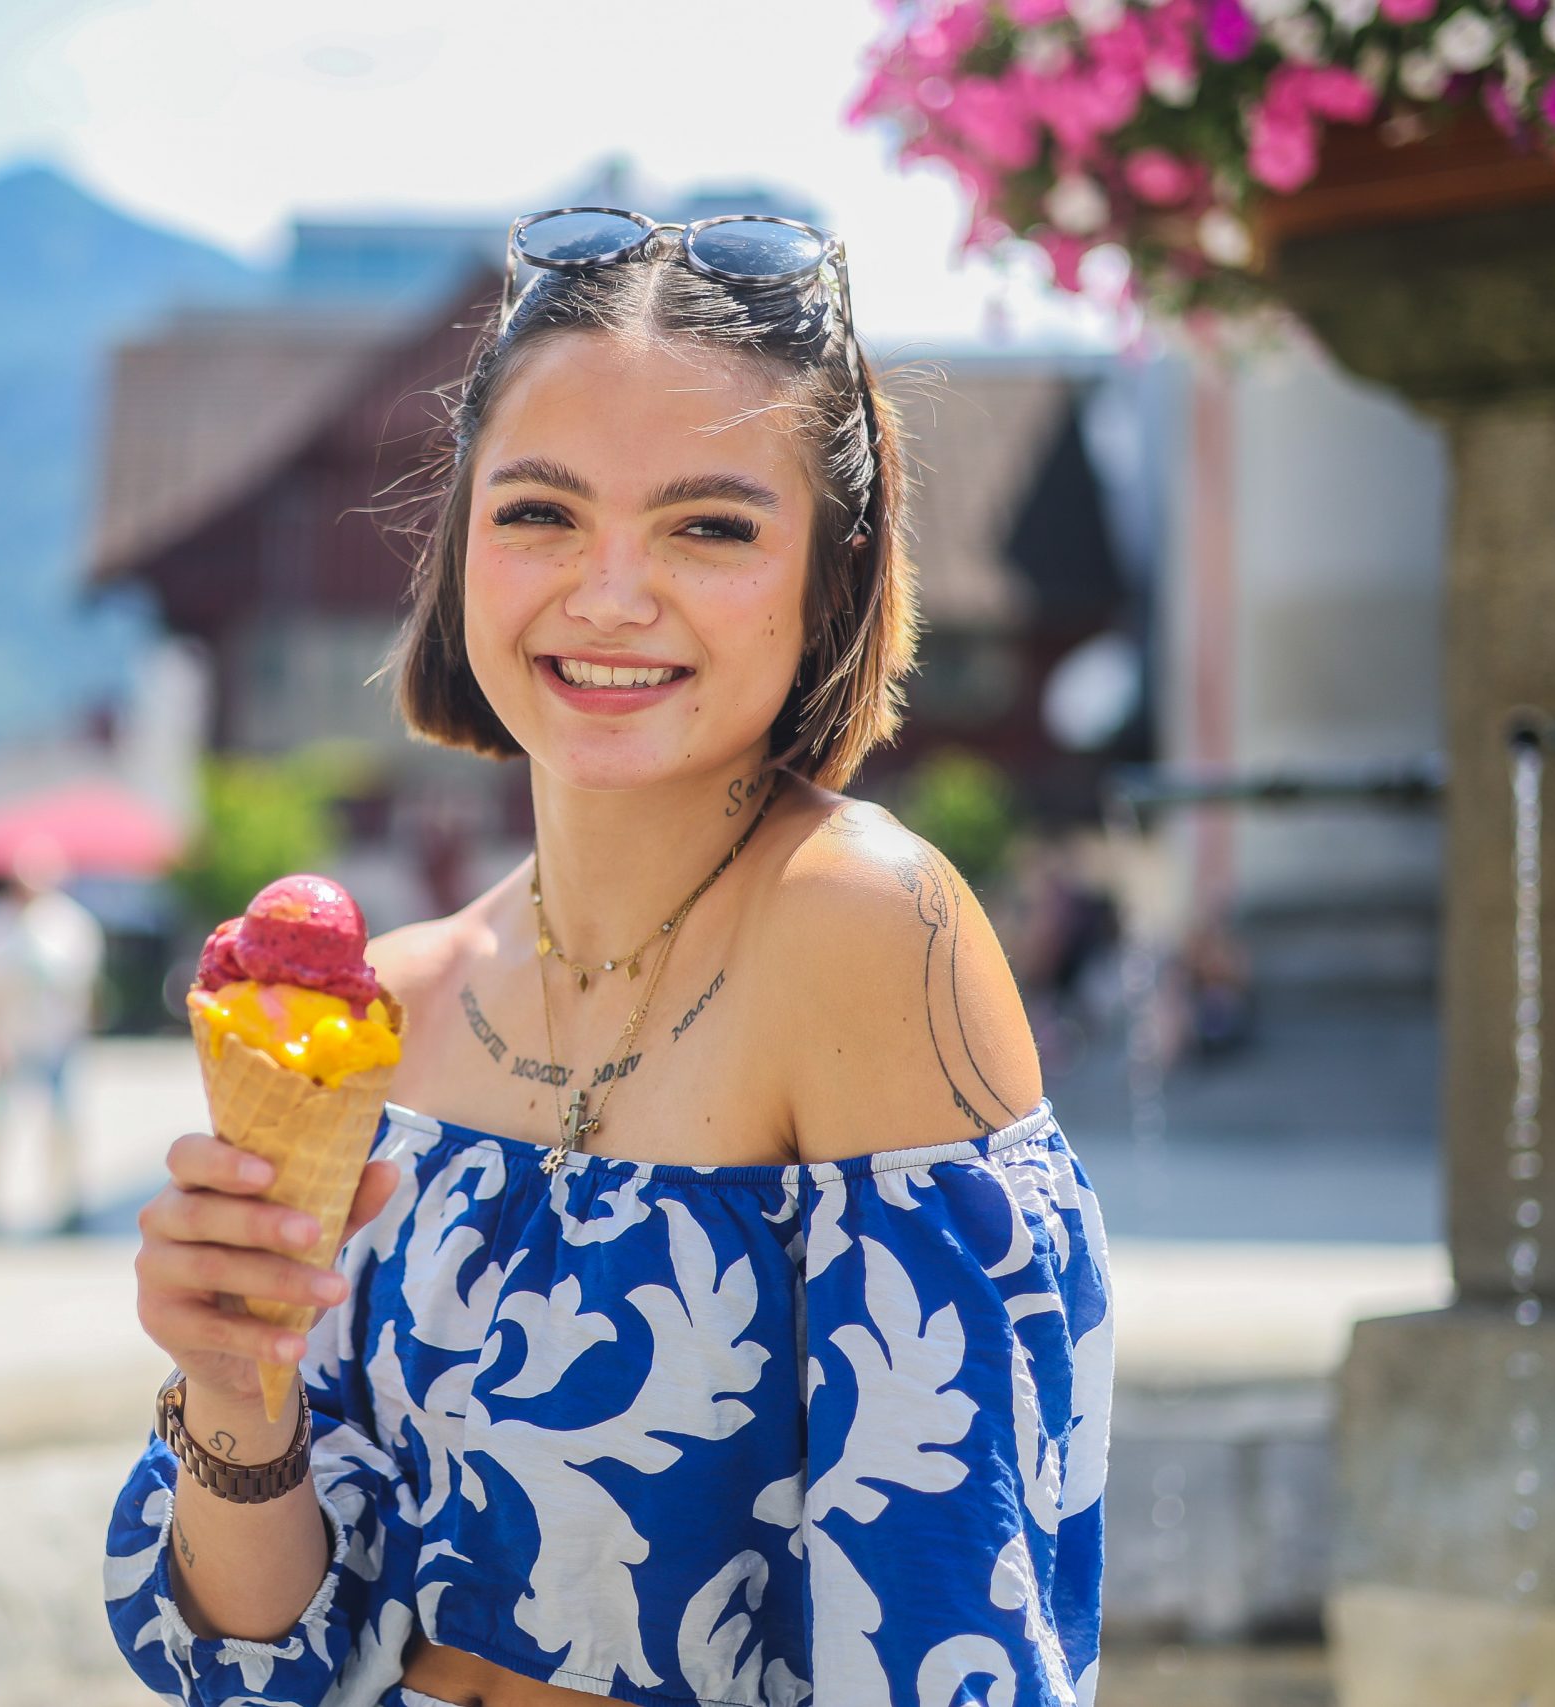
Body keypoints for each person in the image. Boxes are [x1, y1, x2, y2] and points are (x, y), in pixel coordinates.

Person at [104, 208, 1115, 1706]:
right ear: (458, 550)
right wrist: (237, 1395)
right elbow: (262, 1668)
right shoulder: (394, 1000)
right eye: (540, 513)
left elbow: (949, 1650)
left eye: (710, 525)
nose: (610, 593)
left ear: (828, 578)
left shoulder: (865, 923)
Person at [0, 838, 105, 1236]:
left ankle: (67, 1203)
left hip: (57, 1038)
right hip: (6, 1038)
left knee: (64, 1124)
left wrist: (79, 1034)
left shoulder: (71, 924)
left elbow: (84, 989)